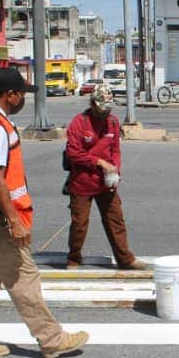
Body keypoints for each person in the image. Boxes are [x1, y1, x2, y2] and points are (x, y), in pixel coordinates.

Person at [0, 67, 88, 358]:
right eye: (21, 94)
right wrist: (14, 220)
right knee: (23, 276)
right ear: (10, 95)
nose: (23, 100)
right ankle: (52, 339)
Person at [65, 83, 147, 271]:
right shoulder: (79, 123)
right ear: (93, 104)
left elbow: (115, 150)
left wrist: (116, 170)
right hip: (82, 181)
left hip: (106, 182)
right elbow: (74, 153)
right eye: (102, 110)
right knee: (79, 224)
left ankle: (125, 259)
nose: (105, 114)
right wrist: (100, 163)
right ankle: (74, 258)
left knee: (115, 220)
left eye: (108, 110)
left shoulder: (113, 122)